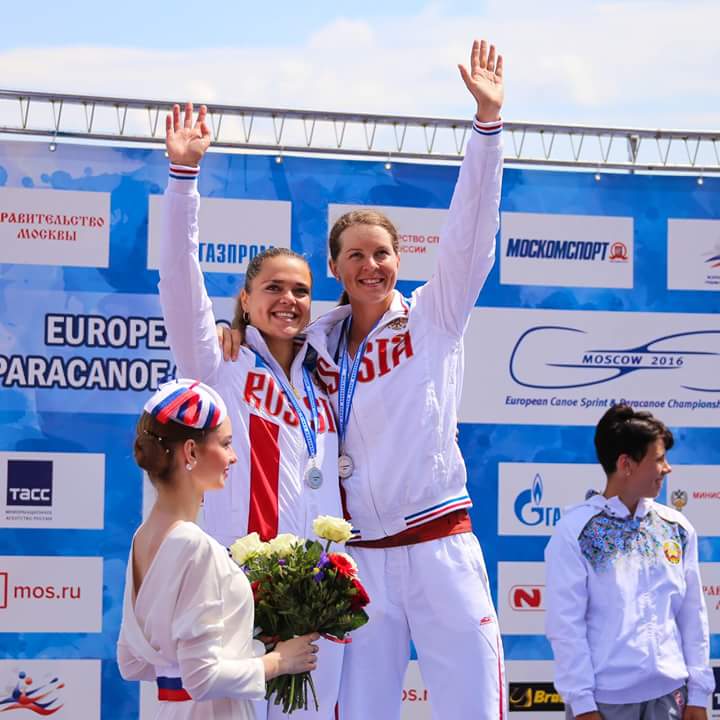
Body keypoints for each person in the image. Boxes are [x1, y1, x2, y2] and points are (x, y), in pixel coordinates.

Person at [298, 38, 506, 720]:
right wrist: (235, 328)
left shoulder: (433, 317)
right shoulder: (312, 345)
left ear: (399, 259)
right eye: (356, 255)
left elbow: (471, 234)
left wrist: (486, 129)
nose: (372, 266)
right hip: (360, 561)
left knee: (474, 708)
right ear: (334, 266)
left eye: (383, 253)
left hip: (439, 543)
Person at [157, 104, 344, 719]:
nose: (288, 300)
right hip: (237, 587)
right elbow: (179, 282)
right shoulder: (219, 363)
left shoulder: (324, 377)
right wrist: (183, 181)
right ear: (244, 297)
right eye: (273, 288)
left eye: (301, 290)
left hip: (316, 592)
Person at [117, 378, 319, 719]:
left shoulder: (143, 537)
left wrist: (247, 647)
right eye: (225, 443)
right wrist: (279, 661)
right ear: (191, 452)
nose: (234, 457)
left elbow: (132, 662)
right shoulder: (194, 545)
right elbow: (202, 678)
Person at [545, 404, 714, 720]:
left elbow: (693, 616)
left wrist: (699, 694)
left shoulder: (676, 528)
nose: (667, 468)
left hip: (671, 698)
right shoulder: (576, 531)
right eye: (659, 459)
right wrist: (582, 704)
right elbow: (566, 625)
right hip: (605, 703)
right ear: (626, 464)